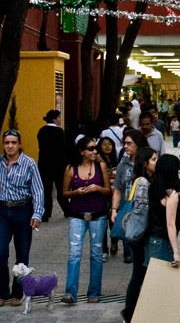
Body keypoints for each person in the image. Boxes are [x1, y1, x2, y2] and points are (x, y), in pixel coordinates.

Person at [0, 129, 44, 308]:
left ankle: (17, 292)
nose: (10, 146)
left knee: (22, 254)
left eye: (13, 142)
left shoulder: (29, 163)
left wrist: (37, 214)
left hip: (23, 210)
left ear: (19, 144)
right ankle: (1, 292)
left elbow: (38, 190)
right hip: (2, 210)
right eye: (7, 143)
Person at [60, 136, 111, 304]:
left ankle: (94, 292)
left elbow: (108, 191)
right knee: (74, 254)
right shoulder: (71, 168)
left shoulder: (100, 166)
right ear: (81, 151)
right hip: (77, 215)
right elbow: (64, 193)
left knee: (96, 254)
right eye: (91, 148)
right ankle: (70, 292)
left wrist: (97, 188)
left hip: (98, 214)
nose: (94, 151)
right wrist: (76, 193)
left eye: (95, 148)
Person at [115, 147, 157, 323]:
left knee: (141, 272)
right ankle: (129, 311)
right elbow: (141, 209)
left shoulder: (148, 179)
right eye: (154, 159)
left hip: (141, 233)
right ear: (145, 163)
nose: (157, 162)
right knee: (139, 272)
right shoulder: (142, 182)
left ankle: (134, 309)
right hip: (139, 234)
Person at [112, 129, 149, 262]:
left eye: (129, 143)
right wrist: (114, 210)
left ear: (138, 144)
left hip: (145, 209)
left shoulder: (148, 163)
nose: (125, 146)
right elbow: (117, 189)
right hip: (128, 209)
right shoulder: (123, 165)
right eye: (124, 143)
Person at [147, 154, 180, 267]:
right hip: (163, 240)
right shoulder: (171, 193)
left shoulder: (153, 188)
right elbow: (170, 224)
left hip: (152, 238)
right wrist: (176, 252)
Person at [37, 109, 68, 222]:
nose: (60, 120)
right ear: (54, 119)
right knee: (60, 188)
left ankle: (46, 213)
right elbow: (62, 149)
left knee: (46, 189)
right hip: (58, 164)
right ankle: (67, 209)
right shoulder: (59, 132)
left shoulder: (41, 131)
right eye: (59, 118)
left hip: (44, 164)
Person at [96, 136, 119, 261]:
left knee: (113, 221)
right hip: (102, 195)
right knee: (102, 223)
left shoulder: (116, 159)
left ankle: (114, 242)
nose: (107, 146)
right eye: (104, 144)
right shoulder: (97, 161)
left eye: (109, 144)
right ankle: (103, 250)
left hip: (114, 194)